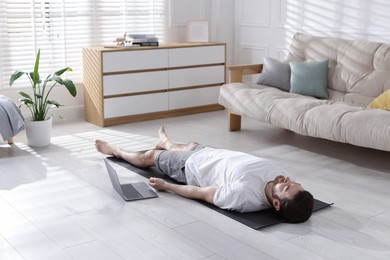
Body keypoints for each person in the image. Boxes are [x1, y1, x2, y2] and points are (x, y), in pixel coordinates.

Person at [95, 126, 314, 223]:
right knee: (189, 144)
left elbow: (202, 193)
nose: (287, 179)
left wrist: (167, 186)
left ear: (276, 204)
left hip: (190, 167)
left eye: (286, 187)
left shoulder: (243, 197)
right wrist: (289, 186)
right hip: (211, 153)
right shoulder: (283, 179)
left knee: (150, 155)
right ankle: (167, 143)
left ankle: (116, 150)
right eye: (294, 183)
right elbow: (289, 185)